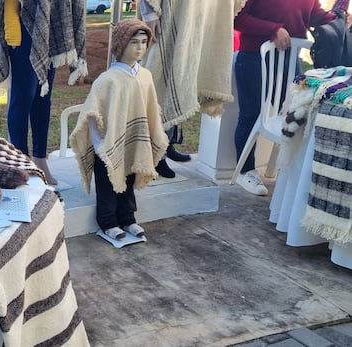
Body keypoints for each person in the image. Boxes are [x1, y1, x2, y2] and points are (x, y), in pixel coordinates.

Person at [70, 19, 168, 241]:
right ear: (121, 44)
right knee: (107, 186)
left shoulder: (145, 76)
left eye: (144, 42)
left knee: (129, 182)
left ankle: (128, 219)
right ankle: (108, 222)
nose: (140, 47)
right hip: (108, 145)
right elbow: (94, 114)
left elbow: (151, 109)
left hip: (134, 143)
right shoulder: (107, 80)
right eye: (134, 42)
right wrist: (100, 147)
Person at [233, 0, 339, 195]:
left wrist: (337, 19)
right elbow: (238, 18)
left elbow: (316, 15)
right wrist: (274, 29)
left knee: (295, 112)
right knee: (251, 114)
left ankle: (286, 167)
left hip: (289, 60)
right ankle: (245, 171)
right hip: (253, 57)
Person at [138, 0, 244, 178]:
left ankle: (167, 143)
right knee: (163, 83)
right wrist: (149, 14)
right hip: (170, 18)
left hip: (198, 16)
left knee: (184, 78)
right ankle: (155, 154)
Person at [0, 0, 88, 185]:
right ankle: (20, 161)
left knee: (43, 98)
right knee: (23, 97)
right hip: (24, 24)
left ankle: (40, 159)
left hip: (51, 24)